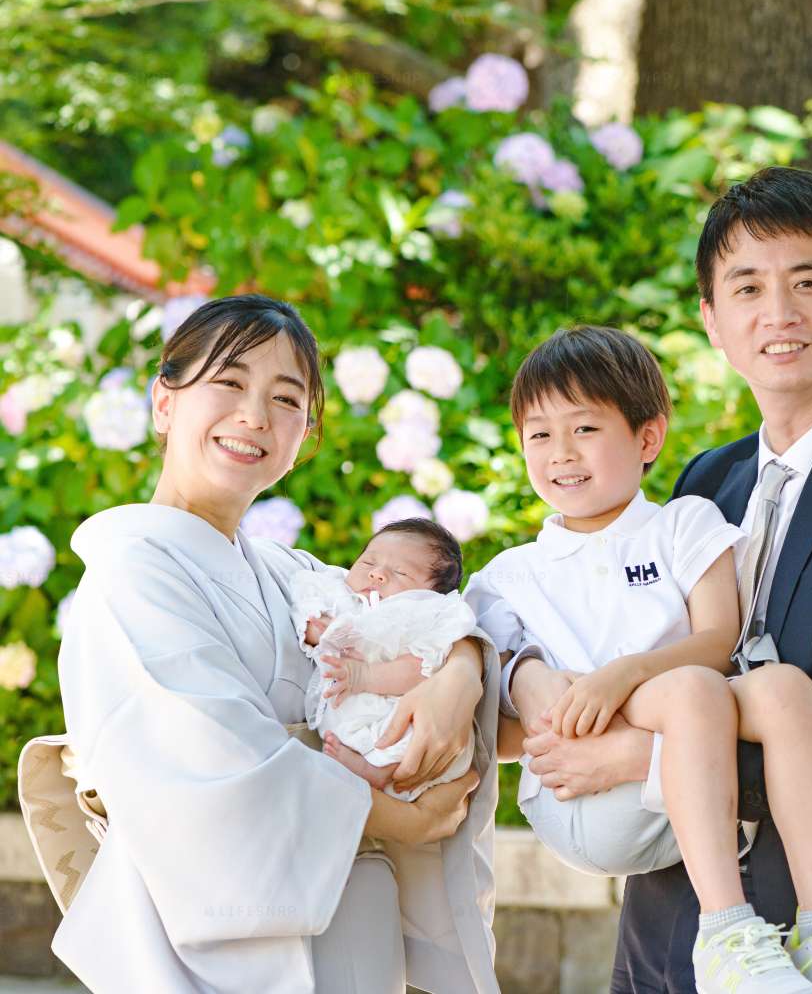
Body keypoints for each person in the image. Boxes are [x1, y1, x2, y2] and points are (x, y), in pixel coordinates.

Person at [510, 167, 812, 992]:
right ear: (712, 320)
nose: (778, 312)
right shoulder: (705, 482)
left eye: (808, 281)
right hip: (673, 925)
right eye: (747, 288)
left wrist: (640, 760)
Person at [36, 295, 500, 994]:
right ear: (164, 403)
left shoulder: (292, 575)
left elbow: (424, 618)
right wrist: (400, 821)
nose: (254, 415)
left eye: (285, 399)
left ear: (302, 438)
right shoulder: (132, 569)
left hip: (355, 917)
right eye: (229, 382)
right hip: (209, 946)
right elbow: (219, 758)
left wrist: (459, 675)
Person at [465, 326, 812, 993]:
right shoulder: (507, 576)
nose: (560, 452)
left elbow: (719, 639)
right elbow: (501, 720)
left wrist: (622, 674)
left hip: (686, 765)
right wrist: (543, 685)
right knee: (692, 689)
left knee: (783, 688)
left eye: (584, 428)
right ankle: (725, 932)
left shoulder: (684, 524)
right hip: (583, 799)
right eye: (539, 435)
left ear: (647, 438)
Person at [292, 518, 477, 800]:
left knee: (419, 728)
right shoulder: (336, 591)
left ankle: (382, 769)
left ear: (433, 592)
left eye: (401, 572)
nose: (377, 574)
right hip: (344, 708)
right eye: (368, 562)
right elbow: (305, 609)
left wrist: (364, 676)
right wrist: (318, 629)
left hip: (397, 705)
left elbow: (421, 668)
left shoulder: (428, 612)